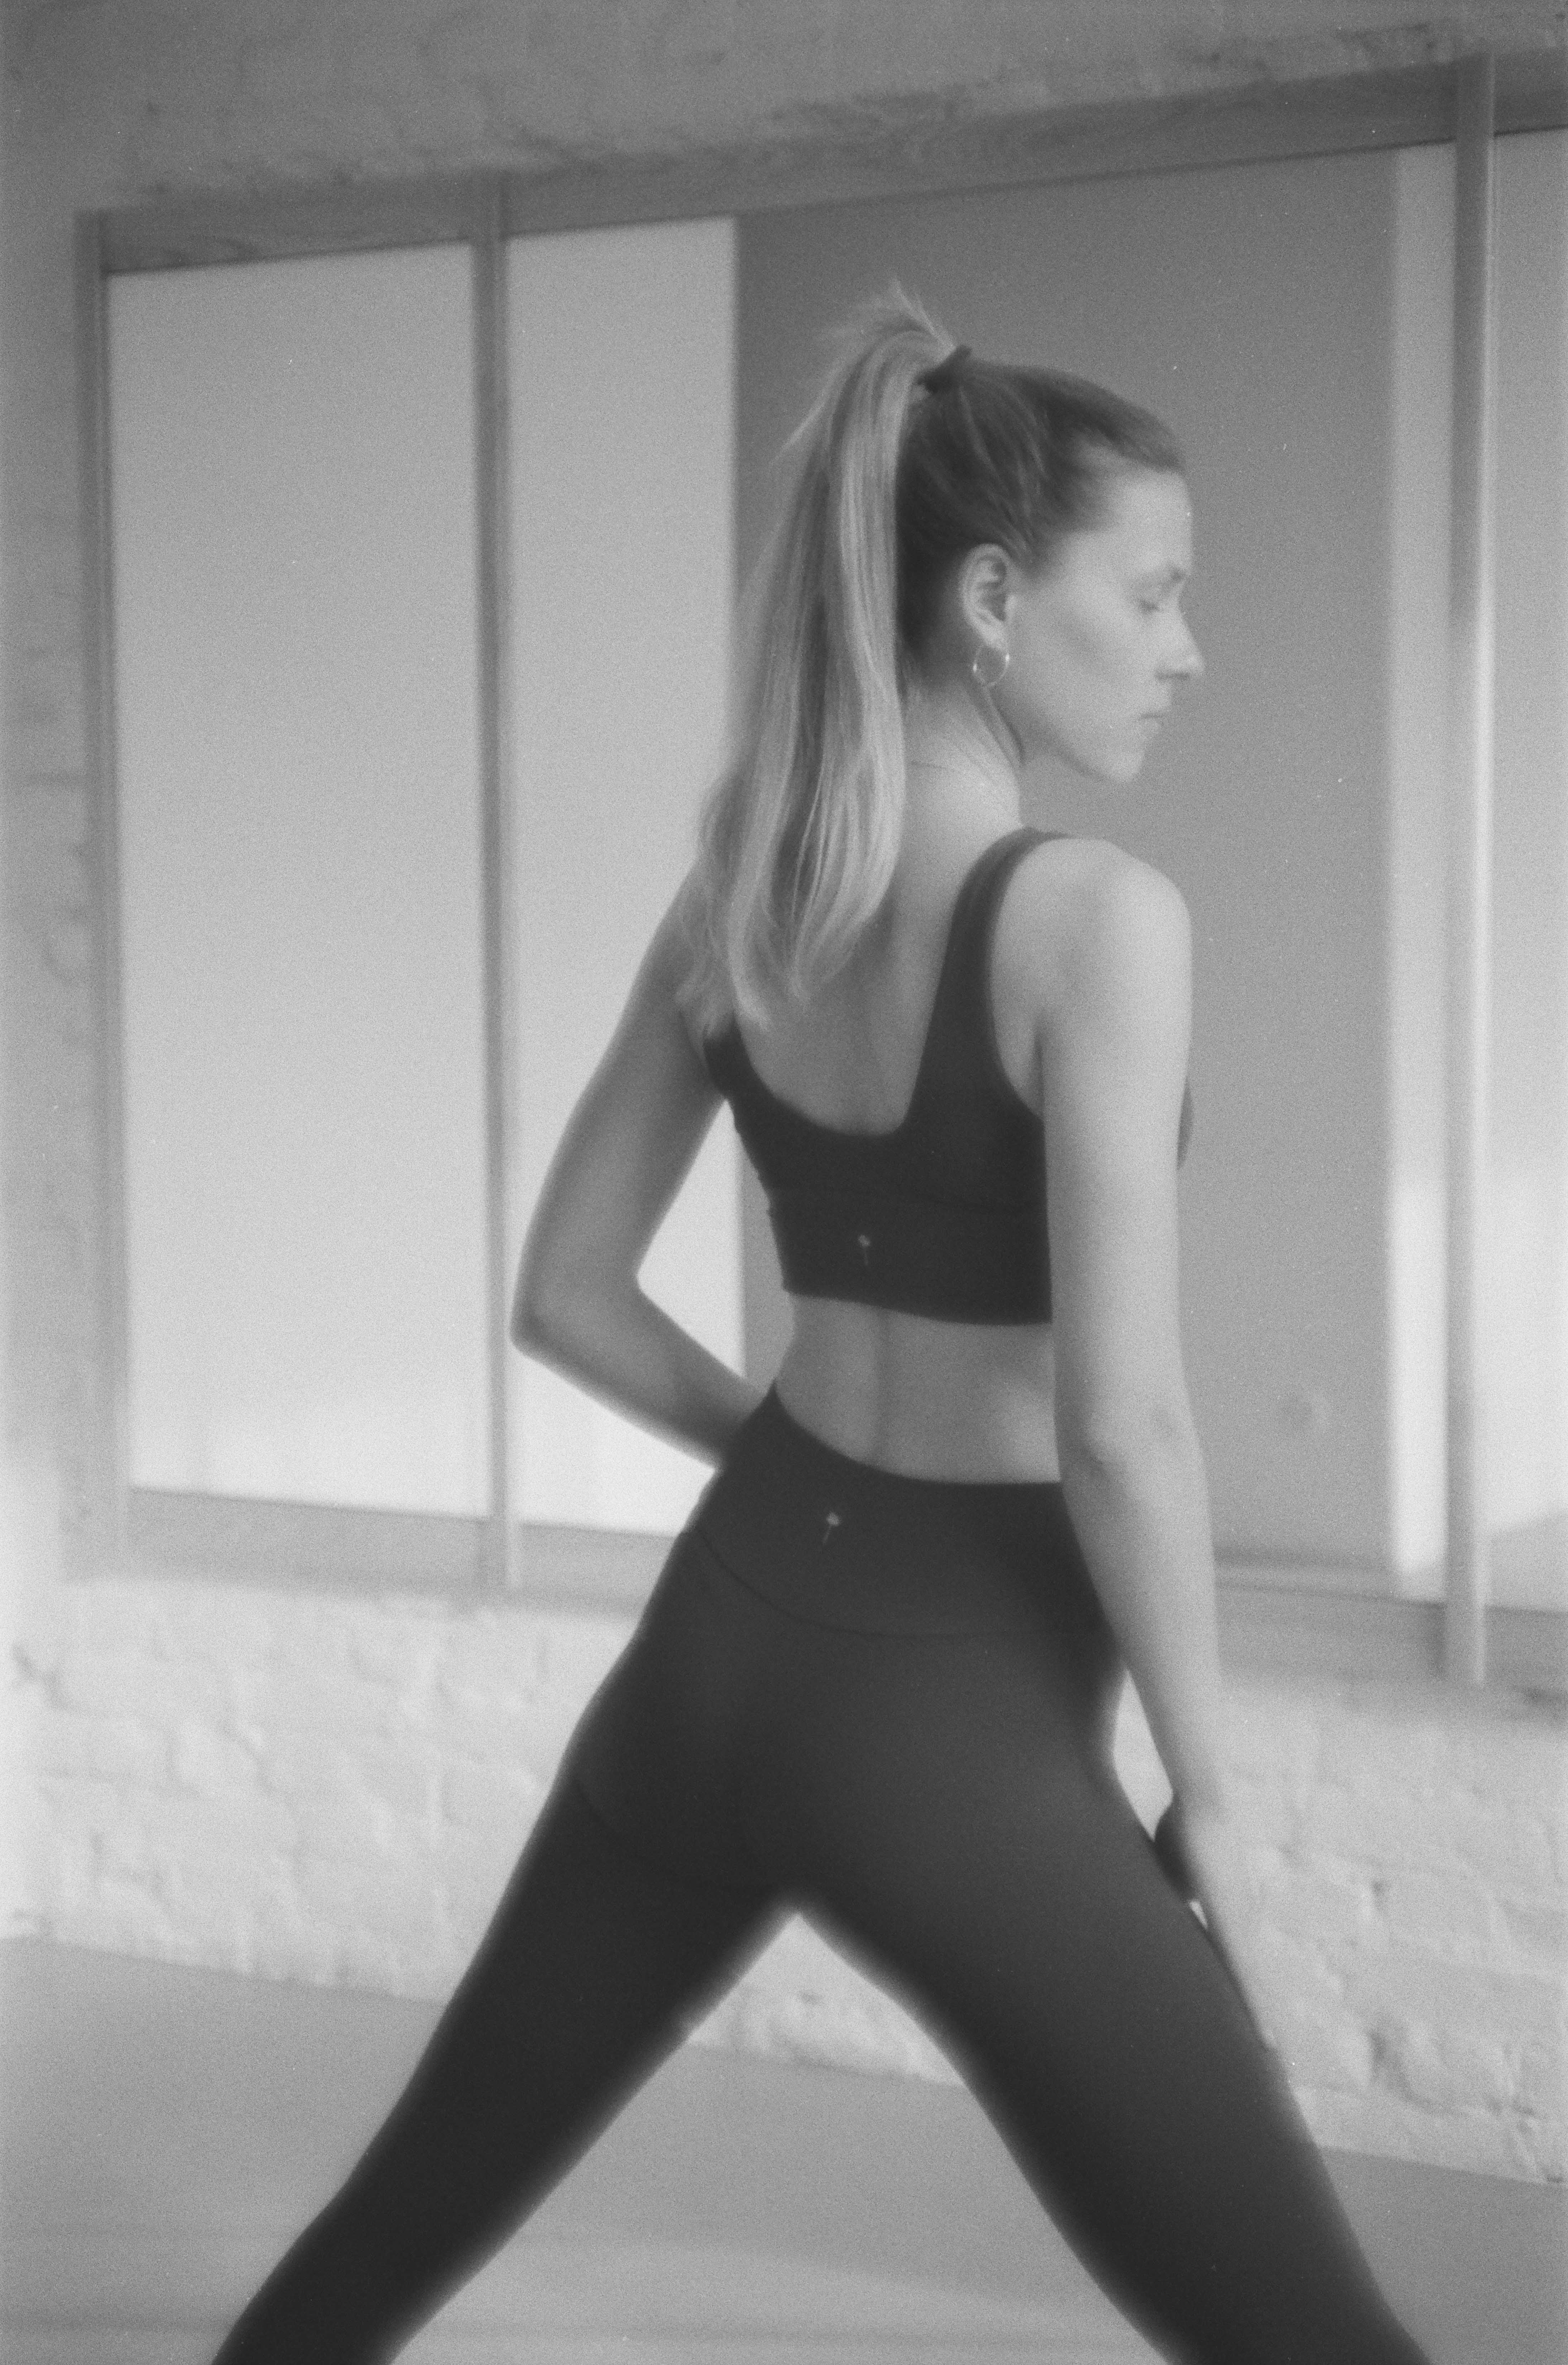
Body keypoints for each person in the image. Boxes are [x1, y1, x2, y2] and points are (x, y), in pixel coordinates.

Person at [211, 291, 1432, 2365]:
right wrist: (1214, 1797)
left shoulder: (745, 895)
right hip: (949, 1729)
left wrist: (786, 1490)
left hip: (713, 1657)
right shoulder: (1100, 924)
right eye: (1152, 594)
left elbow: (566, 1295)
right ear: (991, 597)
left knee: (386, 2237)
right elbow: (1123, 1430)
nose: (1188, 648)